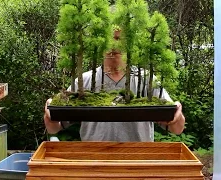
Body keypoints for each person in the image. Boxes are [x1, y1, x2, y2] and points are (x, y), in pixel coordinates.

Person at [44, 32, 185, 142]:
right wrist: (49, 113)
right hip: (95, 163)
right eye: (108, 38)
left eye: (118, 38)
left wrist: (177, 115)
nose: (113, 44)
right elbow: (53, 128)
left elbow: (177, 129)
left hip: (138, 162)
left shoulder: (147, 79)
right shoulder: (83, 81)